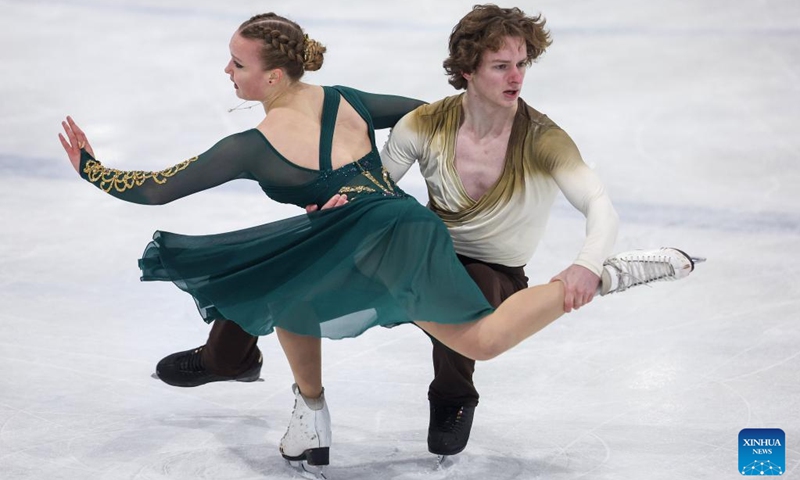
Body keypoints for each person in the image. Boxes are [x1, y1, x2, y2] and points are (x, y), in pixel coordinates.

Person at [59, 11, 696, 469]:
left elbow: (157, 188)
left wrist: (90, 166)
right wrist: (368, 182)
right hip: (376, 228)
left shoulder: (248, 147)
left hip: (389, 238)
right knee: (288, 284)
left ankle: (613, 274)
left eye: (237, 62)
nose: (227, 71)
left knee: (481, 338)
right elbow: (434, 116)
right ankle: (305, 414)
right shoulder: (350, 101)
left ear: (274, 77)